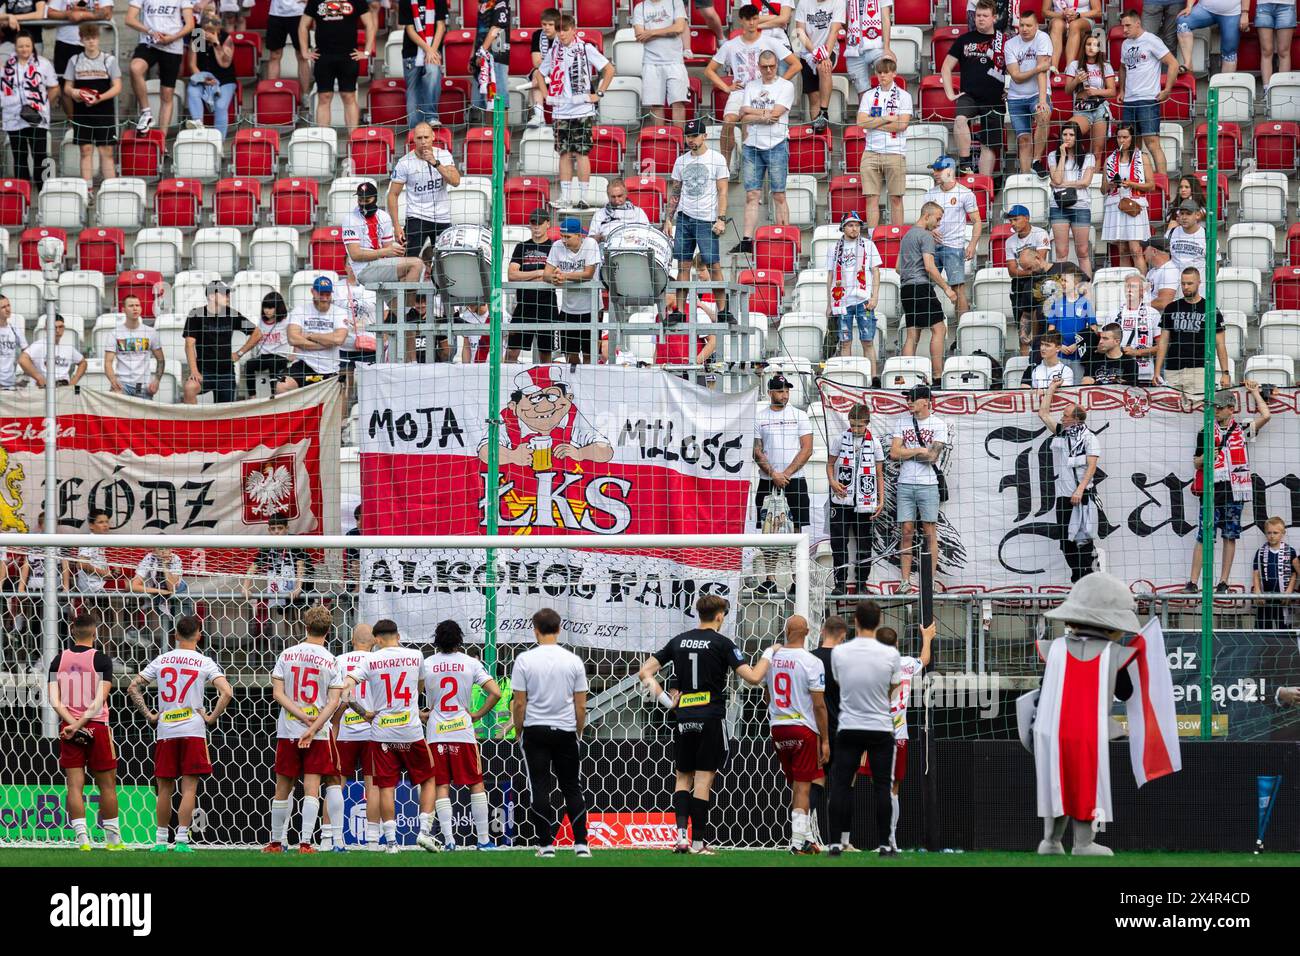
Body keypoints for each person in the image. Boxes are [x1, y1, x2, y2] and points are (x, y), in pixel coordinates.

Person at [638, 594, 771, 854]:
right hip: (710, 717)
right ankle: (698, 843)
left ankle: (680, 838)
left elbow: (644, 672)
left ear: (699, 614)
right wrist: (769, 652)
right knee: (703, 780)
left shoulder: (678, 641)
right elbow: (753, 677)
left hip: (684, 718)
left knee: (682, 778)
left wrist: (666, 701)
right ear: (719, 615)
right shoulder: (722, 643)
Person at [1033, 572, 1141, 856]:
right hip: (1088, 732)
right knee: (1085, 783)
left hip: (1052, 731)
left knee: (1057, 781)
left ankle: (1050, 841)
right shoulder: (1115, 653)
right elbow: (1127, 692)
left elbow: (1044, 689)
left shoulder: (1054, 649)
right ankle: (1083, 843)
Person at [128, 615, 233, 853]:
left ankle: (160, 841)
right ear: (199, 635)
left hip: (166, 730)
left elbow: (133, 686)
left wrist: (150, 715)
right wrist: (210, 717)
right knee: (189, 788)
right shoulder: (204, 661)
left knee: (164, 788)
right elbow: (227, 692)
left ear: (175, 635)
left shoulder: (162, 660)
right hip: (193, 731)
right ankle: (183, 840)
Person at [340, 618, 434, 855]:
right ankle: (423, 832)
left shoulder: (371, 659)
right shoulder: (416, 656)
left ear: (378, 639)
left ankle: (391, 843)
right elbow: (419, 685)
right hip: (411, 731)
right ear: (398, 636)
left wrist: (364, 712)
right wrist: (410, 706)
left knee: (385, 786)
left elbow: (346, 689)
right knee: (429, 778)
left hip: (381, 732)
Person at [510, 607, 591, 858]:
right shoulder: (573, 660)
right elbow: (580, 704)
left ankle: (546, 846)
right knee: (572, 787)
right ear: (559, 629)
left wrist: (519, 729)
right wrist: (578, 731)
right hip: (566, 730)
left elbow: (519, 702)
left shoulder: (524, 659)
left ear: (535, 630)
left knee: (539, 786)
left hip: (535, 730)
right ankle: (581, 845)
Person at [416, 619, 502, 851]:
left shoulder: (427, 664)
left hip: (436, 734)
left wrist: (420, 714)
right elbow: (495, 692)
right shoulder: (469, 663)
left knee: (441, 785)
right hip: (462, 732)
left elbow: (411, 694)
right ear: (459, 640)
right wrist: (477, 714)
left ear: (437, 640)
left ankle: (449, 841)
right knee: (475, 783)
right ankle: (483, 840)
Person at [266, 604, 343, 853]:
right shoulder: (331, 660)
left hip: (289, 729)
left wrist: (300, 717)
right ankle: (306, 843)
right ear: (328, 631)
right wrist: (314, 726)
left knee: (283, 786)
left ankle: (276, 842)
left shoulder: (287, 654)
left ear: (306, 626)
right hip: (318, 733)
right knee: (312, 787)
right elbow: (333, 702)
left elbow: (278, 694)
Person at [827, 600, 899, 856]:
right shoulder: (891, 654)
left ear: (855, 621)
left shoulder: (840, 653)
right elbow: (892, 687)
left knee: (841, 785)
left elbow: (840, 681)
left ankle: (835, 843)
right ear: (878, 621)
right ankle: (883, 844)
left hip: (849, 725)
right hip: (880, 726)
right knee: (882, 786)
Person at [48, 613, 123, 851]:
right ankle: (113, 842)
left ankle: (83, 841)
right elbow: (100, 700)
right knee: (108, 786)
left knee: (74, 786)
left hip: (68, 729)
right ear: (95, 632)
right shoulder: (101, 660)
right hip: (97, 727)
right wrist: (81, 726)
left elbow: (54, 700)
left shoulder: (57, 660)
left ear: (72, 632)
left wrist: (71, 724)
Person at [1187, 380, 1271, 592]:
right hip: (1211, 489)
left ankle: (1224, 581)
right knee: (1203, 536)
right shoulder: (1204, 431)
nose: (1214, 410)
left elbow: (1267, 416)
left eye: (1218, 407)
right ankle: (1193, 582)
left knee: (1229, 535)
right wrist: (1206, 456)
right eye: (1213, 406)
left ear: (1230, 409)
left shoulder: (1242, 429)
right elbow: (1196, 462)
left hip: (1235, 489)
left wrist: (1254, 392)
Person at [859, 623, 931, 850]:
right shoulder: (907, 664)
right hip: (899, 736)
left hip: (876, 735)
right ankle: (891, 840)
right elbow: (925, 660)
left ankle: (884, 840)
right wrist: (927, 637)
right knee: (894, 789)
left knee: (879, 787)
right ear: (897, 644)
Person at [705, 5, 799, 175]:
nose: (752, 23)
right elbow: (709, 70)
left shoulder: (770, 42)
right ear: (741, 20)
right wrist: (726, 87)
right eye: (748, 19)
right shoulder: (731, 45)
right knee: (728, 121)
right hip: (740, 91)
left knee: (749, 126)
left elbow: (796, 64)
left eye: (755, 18)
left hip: (763, 92)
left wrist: (778, 85)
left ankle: (750, 167)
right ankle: (724, 168)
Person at [762, 614, 829, 853]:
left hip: (778, 728)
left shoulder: (772, 659)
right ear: (808, 632)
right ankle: (797, 842)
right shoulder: (811, 661)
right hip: (802, 728)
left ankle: (807, 837)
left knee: (801, 783)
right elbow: (819, 705)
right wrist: (825, 739)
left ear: (786, 631)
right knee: (803, 787)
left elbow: (767, 696)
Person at [537, 14, 614, 209]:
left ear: (573, 29)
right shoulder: (554, 52)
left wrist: (599, 94)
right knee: (563, 153)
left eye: (565, 30)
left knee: (581, 153)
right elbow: (539, 74)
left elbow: (609, 69)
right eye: (559, 30)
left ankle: (583, 196)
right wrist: (546, 96)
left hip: (582, 108)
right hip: (560, 110)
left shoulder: (586, 48)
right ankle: (566, 196)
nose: (561, 34)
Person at [753, 372, 813, 593]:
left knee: (795, 531)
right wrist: (773, 474)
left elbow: (807, 448)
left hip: (794, 480)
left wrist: (784, 474)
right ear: (770, 392)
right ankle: (770, 579)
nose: (785, 394)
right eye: (780, 390)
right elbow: (756, 451)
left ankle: (797, 580)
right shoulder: (759, 417)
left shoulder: (800, 415)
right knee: (770, 530)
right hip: (767, 481)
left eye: (787, 390)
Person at [1037, 377, 1101, 582]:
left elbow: (1092, 466)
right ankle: (1078, 575)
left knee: (1083, 539)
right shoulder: (1063, 435)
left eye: (1065, 416)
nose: (1062, 419)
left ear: (1076, 419)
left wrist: (1080, 490)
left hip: (1081, 495)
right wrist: (1051, 389)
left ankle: (1086, 577)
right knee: (1065, 540)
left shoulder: (1090, 438)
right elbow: (1043, 413)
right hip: (1063, 496)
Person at [666, 118, 730, 316]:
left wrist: (721, 218)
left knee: (713, 264)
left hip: (707, 218)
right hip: (684, 218)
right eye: (688, 136)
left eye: (694, 136)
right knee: (683, 265)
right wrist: (669, 219)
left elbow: (723, 191)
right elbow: (676, 191)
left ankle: (723, 310)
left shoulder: (717, 159)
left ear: (705, 136)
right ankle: (679, 310)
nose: (690, 140)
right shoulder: (681, 160)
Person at [734, 49, 796, 250]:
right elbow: (742, 118)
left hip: (777, 143)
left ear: (777, 65)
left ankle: (783, 238)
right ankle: (746, 240)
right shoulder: (751, 86)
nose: (768, 70)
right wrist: (763, 115)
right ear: (759, 67)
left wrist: (751, 111)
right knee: (752, 195)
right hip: (752, 145)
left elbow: (776, 116)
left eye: (772, 66)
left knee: (779, 194)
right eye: (764, 67)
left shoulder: (786, 86)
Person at [890, 384, 947, 593]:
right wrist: (919, 449)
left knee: (930, 532)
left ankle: (929, 580)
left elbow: (932, 456)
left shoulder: (939, 424)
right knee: (906, 531)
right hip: (905, 483)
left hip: (929, 484)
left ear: (926, 401)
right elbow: (893, 453)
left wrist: (908, 451)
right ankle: (905, 581)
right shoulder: (902, 422)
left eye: (913, 398)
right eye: (907, 398)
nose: (909, 402)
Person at [941, 0, 1005, 177]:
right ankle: (965, 163)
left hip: (994, 99)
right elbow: (946, 67)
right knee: (960, 120)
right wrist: (950, 94)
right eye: (978, 16)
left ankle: (984, 184)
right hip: (969, 95)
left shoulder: (1004, 41)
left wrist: (1009, 89)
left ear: (994, 18)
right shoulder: (964, 39)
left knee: (988, 145)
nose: (981, 19)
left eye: (985, 16)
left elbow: (1014, 69)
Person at [827, 402, 885, 593]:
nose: (856, 429)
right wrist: (833, 482)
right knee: (839, 542)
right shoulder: (840, 439)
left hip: (865, 500)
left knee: (864, 543)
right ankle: (840, 584)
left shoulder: (874, 442)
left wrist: (881, 500)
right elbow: (829, 464)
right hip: (841, 499)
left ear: (867, 423)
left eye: (860, 425)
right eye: (853, 425)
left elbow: (879, 474)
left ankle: (861, 584)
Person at [333, 622, 378, 850]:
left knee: (335, 786)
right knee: (373, 786)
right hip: (373, 732)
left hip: (344, 732)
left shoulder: (339, 661)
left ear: (351, 640)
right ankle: (372, 841)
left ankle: (330, 839)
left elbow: (338, 695)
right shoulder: (377, 661)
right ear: (374, 642)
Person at [897, 201, 957, 375]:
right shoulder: (925, 236)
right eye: (937, 219)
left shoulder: (907, 236)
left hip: (906, 288)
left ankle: (905, 375)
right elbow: (930, 267)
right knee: (939, 329)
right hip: (921, 287)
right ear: (926, 215)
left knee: (912, 335)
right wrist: (947, 288)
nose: (938, 224)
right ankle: (938, 376)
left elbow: (898, 267)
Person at [1116, 10, 1178, 178]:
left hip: (1148, 99)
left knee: (1152, 143)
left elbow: (1173, 63)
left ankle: (1163, 185)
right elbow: (1122, 67)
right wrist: (1121, 90)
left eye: (1128, 26)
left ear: (1138, 23)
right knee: (1131, 145)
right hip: (1129, 100)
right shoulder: (1125, 44)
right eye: (1123, 26)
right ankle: (1137, 179)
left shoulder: (1152, 40)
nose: (1125, 30)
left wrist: (1167, 90)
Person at [1153, 266, 1230, 400]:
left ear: (1199, 283)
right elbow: (1164, 342)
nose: (1186, 287)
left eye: (1189, 283)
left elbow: (1220, 345)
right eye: (1183, 283)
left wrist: (1225, 373)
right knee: (1171, 412)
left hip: (1199, 370)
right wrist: (1157, 371)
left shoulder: (1211, 309)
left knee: (1197, 412)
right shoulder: (1172, 307)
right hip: (1172, 369)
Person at [300, 0, 376, 130]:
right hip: (323, 56)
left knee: (349, 96)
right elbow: (303, 25)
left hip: (348, 56)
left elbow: (370, 24)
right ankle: (324, 140)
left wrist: (367, 51)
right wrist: (304, 51)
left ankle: (353, 141)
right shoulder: (316, 1)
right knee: (324, 97)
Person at [388, 121, 460, 259]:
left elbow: (455, 181)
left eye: (426, 137)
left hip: (442, 217)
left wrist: (435, 163)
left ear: (433, 136)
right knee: (408, 261)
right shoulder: (404, 162)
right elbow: (393, 194)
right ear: (413, 139)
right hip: (416, 217)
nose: (423, 141)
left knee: (444, 261)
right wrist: (396, 226)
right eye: (419, 138)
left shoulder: (444, 155)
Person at [922, 155, 981, 317]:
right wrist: (929, 229)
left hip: (954, 247)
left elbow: (977, 221)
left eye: (939, 169)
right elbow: (922, 221)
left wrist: (972, 245)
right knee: (925, 286)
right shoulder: (930, 194)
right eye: (934, 169)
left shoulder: (965, 193)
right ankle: (932, 322)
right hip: (931, 247)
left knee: (958, 288)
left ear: (949, 171)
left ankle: (964, 328)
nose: (935, 173)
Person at [63, 23, 119, 194]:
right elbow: (66, 87)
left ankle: (111, 189)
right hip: (82, 112)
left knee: (106, 150)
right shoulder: (75, 60)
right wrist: (75, 92)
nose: (91, 42)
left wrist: (99, 98)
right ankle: (87, 190)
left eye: (94, 38)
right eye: (87, 39)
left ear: (98, 38)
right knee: (85, 150)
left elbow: (117, 87)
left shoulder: (109, 60)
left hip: (104, 111)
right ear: (82, 40)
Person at [183, 279, 259, 404]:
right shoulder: (195, 314)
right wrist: (194, 371)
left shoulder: (232, 314)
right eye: (224, 293)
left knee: (225, 416)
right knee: (189, 388)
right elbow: (189, 345)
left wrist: (239, 353)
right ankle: (193, 423)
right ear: (212, 296)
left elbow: (257, 333)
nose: (228, 296)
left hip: (226, 373)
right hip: (204, 371)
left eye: (228, 293)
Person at [856, 56, 911, 228]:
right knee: (871, 198)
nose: (882, 76)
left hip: (895, 152)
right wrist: (886, 119)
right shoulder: (869, 95)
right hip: (871, 152)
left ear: (894, 73)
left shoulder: (904, 96)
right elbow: (861, 122)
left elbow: (902, 125)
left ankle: (898, 235)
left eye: (886, 72)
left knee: (896, 197)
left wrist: (874, 123)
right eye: (879, 73)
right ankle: (872, 236)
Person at [241, 514, 312, 642]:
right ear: (269, 530)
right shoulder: (268, 545)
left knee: (301, 615)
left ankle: (304, 641)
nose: (276, 532)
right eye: (273, 529)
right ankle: (291, 644)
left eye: (279, 528)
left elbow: (301, 565)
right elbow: (254, 566)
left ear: (287, 528)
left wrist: (298, 587)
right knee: (287, 615)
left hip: (303, 581)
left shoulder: (294, 541)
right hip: (280, 582)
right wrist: (245, 587)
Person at [126, 0, 194, 132]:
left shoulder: (203, 32)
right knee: (135, 68)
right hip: (150, 42)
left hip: (174, 44)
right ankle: (146, 113)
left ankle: (162, 141)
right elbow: (129, 19)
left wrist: (173, 38)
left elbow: (192, 24)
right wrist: (150, 31)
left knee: (167, 93)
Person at [1, 31, 59, 186]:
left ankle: (43, 191)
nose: (24, 49)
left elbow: (54, 87)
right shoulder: (6, 66)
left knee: (39, 154)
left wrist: (43, 105)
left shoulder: (43, 63)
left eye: (27, 45)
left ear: (32, 46)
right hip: (13, 117)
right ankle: (22, 193)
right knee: (19, 157)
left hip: (37, 117)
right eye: (20, 46)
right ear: (15, 47)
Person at [808, 614, 846, 844]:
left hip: (814, 730)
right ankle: (838, 842)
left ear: (822, 631)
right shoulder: (847, 662)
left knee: (815, 782)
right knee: (841, 786)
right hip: (842, 730)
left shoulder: (809, 658)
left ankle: (800, 833)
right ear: (843, 635)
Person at [342, 181, 426, 287]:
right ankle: (408, 305)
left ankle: (403, 303)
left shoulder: (384, 217)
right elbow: (355, 255)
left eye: (366, 200)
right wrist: (386, 251)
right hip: (363, 269)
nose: (363, 203)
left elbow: (388, 250)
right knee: (416, 264)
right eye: (360, 200)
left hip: (382, 266)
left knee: (406, 277)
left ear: (375, 199)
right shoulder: (350, 219)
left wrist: (398, 250)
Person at [826, 210, 881, 365]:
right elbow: (830, 277)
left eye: (857, 225)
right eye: (850, 225)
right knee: (845, 342)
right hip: (842, 302)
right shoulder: (834, 248)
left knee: (868, 341)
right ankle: (847, 376)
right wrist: (829, 304)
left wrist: (874, 296)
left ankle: (873, 379)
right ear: (843, 227)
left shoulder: (869, 245)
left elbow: (876, 272)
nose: (854, 228)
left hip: (864, 301)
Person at [543, 217, 601, 364]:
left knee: (590, 355)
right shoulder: (557, 246)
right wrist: (554, 278)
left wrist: (563, 276)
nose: (563, 240)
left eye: (567, 237)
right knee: (571, 357)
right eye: (562, 236)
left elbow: (588, 274)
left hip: (591, 309)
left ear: (580, 235)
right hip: (568, 309)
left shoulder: (590, 243)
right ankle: (575, 386)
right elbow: (546, 274)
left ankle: (589, 385)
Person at [506, 208, 559, 363]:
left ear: (547, 224)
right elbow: (512, 275)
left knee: (545, 354)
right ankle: (506, 384)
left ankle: (546, 385)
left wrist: (529, 276)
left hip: (546, 306)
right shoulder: (521, 247)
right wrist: (540, 272)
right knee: (512, 352)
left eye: (539, 223)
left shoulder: (555, 247)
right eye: (533, 223)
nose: (536, 227)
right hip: (524, 305)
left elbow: (554, 276)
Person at [278, 275, 348, 393]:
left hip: (330, 367)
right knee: (282, 385)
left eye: (328, 294)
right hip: (304, 364)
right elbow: (293, 339)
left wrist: (310, 335)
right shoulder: (300, 311)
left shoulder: (339, 312)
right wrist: (325, 344)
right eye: (321, 294)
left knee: (338, 398)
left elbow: (338, 339)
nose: (325, 298)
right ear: (313, 292)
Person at [1004, 10, 1053, 177]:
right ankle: (1026, 177)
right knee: (1023, 140)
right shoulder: (1010, 44)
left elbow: (1042, 73)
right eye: (1021, 25)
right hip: (1016, 97)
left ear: (1036, 26)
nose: (1024, 29)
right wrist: (1037, 67)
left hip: (1036, 93)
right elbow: (1016, 77)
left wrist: (1042, 100)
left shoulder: (1043, 38)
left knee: (1043, 114)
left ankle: (1036, 161)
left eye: (1028, 25)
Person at [1101, 123, 1153, 272]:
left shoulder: (1142, 158)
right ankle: (1126, 285)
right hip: (1115, 204)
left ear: (1132, 138)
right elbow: (1102, 189)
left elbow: (1151, 185)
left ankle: (1142, 284)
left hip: (1133, 204)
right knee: (1122, 249)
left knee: (1135, 249)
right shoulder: (1109, 160)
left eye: (1125, 137)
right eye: (1119, 137)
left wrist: (1131, 183)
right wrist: (1110, 185)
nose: (1121, 140)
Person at [1047, 122, 1096, 277]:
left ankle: (1086, 289)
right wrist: (1062, 155)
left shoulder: (1088, 157)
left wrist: (1062, 184)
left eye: (1072, 135)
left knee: (1082, 251)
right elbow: (1057, 177)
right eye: (1065, 134)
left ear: (1077, 137)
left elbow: (1085, 182)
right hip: (1058, 207)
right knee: (1061, 251)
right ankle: (1062, 288)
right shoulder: (1052, 156)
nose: (1067, 138)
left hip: (1080, 206)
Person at [1005, 203, 1053, 354]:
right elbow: (1012, 271)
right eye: (1010, 220)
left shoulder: (1040, 233)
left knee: (1042, 325)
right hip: (1020, 285)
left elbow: (1038, 262)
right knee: (1023, 329)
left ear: (1026, 218)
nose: (1012, 223)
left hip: (1039, 283)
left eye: (1016, 219)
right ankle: (1025, 363)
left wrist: (1024, 268)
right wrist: (1028, 270)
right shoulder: (1010, 241)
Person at [633, 0, 688, 126]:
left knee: (678, 102)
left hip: (675, 61)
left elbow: (679, 27)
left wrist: (651, 32)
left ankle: (679, 141)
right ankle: (659, 142)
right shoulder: (640, 7)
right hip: (651, 63)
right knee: (656, 104)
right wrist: (670, 31)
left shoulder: (675, 2)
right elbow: (639, 35)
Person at [1064, 32, 1116, 165]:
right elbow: (1067, 90)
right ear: (1084, 46)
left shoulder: (1105, 66)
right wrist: (1076, 81)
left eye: (1095, 45)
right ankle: (1077, 173)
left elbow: (1112, 91)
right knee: (1071, 134)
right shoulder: (1074, 65)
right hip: (1082, 109)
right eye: (1088, 44)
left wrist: (1096, 91)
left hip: (1100, 107)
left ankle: (1094, 183)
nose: (1091, 47)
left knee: (1097, 151)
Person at [130, 546, 192, 649]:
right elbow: (134, 585)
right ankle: (168, 655)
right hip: (160, 596)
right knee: (167, 627)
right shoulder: (150, 558)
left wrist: (165, 566)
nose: (164, 552)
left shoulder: (175, 559)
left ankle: (182, 655)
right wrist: (158, 591)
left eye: (167, 548)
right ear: (154, 550)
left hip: (180, 597)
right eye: (161, 548)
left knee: (182, 629)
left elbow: (171, 587)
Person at [793, 0, 842, 132]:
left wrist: (824, 55)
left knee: (823, 67)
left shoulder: (838, 2)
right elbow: (799, 32)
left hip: (829, 49)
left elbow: (834, 31)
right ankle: (818, 129)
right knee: (813, 96)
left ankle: (824, 112)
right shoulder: (804, 3)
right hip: (807, 52)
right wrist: (814, 51)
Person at [184, 12, 236, 136]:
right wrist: (203, 79)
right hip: (203, 77)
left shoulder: (224, 37)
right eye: (205, 29)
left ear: (218, 28)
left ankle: (219, 142)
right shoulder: (198, 37)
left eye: (211, 30)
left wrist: (215, 43)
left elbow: (225, 64)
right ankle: (198, 126)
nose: (207, 32)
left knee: (220, 105)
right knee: (192, 91)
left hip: (224, 80)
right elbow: (192, 64)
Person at [104, 294, 164, 398]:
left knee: (144, 415)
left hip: (143, 387)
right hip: (122, 386)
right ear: (123, 310)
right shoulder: (114, 333)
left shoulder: (151, 332)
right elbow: (108, 362)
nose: (135, 308)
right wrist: (113, 380)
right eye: (131, 306)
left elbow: (161, 359)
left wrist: (157, 380)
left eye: (137, 305)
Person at [400, 0, 445, 127]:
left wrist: (432, 50)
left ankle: (431, 117)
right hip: (411, 53)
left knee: (432, 71)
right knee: (413, 91)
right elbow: (410, 29)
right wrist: (428, 49)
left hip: (433, 50)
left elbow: (441, 25)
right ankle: (415, 130)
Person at [1109, 273, 1159, 384]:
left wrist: (1138, 352)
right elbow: (1104, 342)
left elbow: (1161, 347)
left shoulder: (1152, 314)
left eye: (1134, 286)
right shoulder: (1113, 314)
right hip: (1118, 374)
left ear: (1142, 291)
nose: (1129, 289)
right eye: (1127, 286)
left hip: (1144, 374)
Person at [242, 291, 292, 398]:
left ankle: (274, 396)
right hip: (264, 356)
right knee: (249, 364)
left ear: (278, 308)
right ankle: (252, 397)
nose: (267, 311)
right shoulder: (261, 321)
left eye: (270, 308)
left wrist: (294, 354)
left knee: (273, 364)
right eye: (265, 307)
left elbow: (294, 337)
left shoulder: (286, 321)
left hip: (280, 356)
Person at [1252, 517, 1298, 631]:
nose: (1272, 535)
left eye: (1275, 533)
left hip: (1283, 597)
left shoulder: (1290, 551)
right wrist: (1257, 591)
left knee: (1284, 629)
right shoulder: (1261, 552)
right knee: (1262, 628)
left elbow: (1294, 573)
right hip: (1265, 598)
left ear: (1283, 533)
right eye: (1269, 533)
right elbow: (1256, 572)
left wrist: (1289, 591)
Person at [1044, 268, 1093, 376]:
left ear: (1076, 284)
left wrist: (1077, 344)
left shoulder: (1085, 303)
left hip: (1079, 354)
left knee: (1077, 385)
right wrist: (1059, 345)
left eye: (1065, 281)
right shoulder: (1056, 303)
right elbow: (1051, 329)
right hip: (1060, 354)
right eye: (1061, 280)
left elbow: (1092, 329)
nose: (1061, 283)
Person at [841, 0, 894, 96]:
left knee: (886, 83)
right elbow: (842, 18)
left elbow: (886, 18)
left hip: (877, 46)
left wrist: (886, 48)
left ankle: (886, 109)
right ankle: (865, 111)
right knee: (863, 93)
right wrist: (851, 33)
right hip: (854, 49)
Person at [1177, 0, 1246, 74]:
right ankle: (1188, 65)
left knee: (1230, 51)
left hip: (1231, 13)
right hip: (1205, 9)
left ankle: (1226, 84)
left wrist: (1245, 14)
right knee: (1183, 22)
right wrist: (1189, 6)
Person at [20, 315, 86, 387]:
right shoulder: (38, 345)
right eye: (54, 327)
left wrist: (74, 380)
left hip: (64, 387)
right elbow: (22, 360)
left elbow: (83, 362)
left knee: (78, 392)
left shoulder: (68, 347)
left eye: (60, 327)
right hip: (45, 388)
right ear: (46, 329)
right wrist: (38, 377)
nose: (57, 330)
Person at [471, 0, 509, 119]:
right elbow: (479, 31)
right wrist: (472, 55)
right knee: (487, 101)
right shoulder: (482, 2)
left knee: (499, 101)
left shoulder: (500, 1)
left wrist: (482, 51)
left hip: (496, 56)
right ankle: (490, 136)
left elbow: (496, 27)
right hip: (481, 55)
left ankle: (502, 137)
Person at [524, 8, 559, 127]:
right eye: (544, 24)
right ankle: (539, 116)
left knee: (539, 74)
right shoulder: (537, 35)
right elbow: (536, 62)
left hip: (561, 73)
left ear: (557, 25)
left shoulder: (563, 34)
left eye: (550, 24)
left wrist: (548, 64)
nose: (547, 27)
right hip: (545, 73)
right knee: (537, 74)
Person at [587, 179, 649, 243]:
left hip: (634, 245)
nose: (616, 200)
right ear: (608, 196)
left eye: (619, 196)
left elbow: (647, 233)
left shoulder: (638, 212)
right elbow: (591, 238)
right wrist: (598, 238)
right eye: (613, 197)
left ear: (626, 194)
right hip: (607, 247)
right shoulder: (599, 214)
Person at [1167, 199, 1215, 281]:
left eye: (1188, 214)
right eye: (1182, 214)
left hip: (1199, 289)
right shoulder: (1171, 233)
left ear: (1197, 215)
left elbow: (1214, 266)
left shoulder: (1207, 236)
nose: (1184, 217)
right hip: (1174, 286)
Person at [1044, 0, 1101, 69]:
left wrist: (1078, 15)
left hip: (1083, 19)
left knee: (1074, 25)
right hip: (1059, 18)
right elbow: (1044, 12)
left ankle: (1070, 69)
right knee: (1057, 24)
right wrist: (1061, 15)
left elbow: (1098, 12)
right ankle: (1053, 68)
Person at [265, 0, 309, 83]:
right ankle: (271, 92)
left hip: (299, 13)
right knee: (274, 55)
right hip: (276, 13)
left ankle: (305, 94)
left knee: (302, 55)